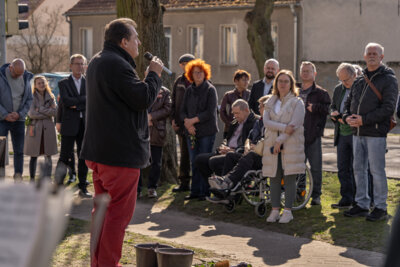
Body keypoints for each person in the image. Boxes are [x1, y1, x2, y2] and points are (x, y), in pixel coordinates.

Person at [81, 18, 163, 267]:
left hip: (100, 152)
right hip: (119, 155)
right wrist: (154, 75)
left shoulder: (97, 60)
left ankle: (99, 263)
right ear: (123, 41)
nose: (139, 42)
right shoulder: (117, 64)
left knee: (103, 214)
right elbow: (142, 99)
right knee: (117, 217)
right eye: (135, 37)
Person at [343, 43, 398, 221]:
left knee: (377, 171)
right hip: (357, 132)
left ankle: (381, 207)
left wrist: (364, 119)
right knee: (358, 169)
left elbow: (389, 108)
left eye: (375, 53)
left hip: (375, 133)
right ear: (364, 56)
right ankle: (362, 204)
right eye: (369, 53)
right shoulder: (359, 79)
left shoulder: (389, 79)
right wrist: (346, 117)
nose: (372, 56)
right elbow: (348, 102)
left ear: (382, 57)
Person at [263, 70, 305, 224]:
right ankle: (274, 210)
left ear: (291, 84)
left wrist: (280, 140)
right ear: (276, 84)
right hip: (272, 144)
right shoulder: (270, 102)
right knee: (274, 177)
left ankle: (287, 211)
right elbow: (266, 122)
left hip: (290, 144)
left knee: (289, 178)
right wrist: (282, 127)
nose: (282, 84)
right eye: (280, 81)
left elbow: (294, 125)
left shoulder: (297, 102)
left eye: (286, 81)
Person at [195, 99, 258, 193]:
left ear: (246, 110)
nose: (235, 116)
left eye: (237, 113)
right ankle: (212, 188)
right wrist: (222, 147)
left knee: (214, 161)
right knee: (200, 159)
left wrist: (233, 150)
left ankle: (225, 189)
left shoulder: (254, 122)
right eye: (234, 113)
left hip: (237, 153)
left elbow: (250, 143)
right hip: (226, 151)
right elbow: (227, 138)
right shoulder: (234, 122)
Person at [208, 95, 269, 191]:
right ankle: (225, 189)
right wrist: (247, 146)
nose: (259, 109)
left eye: (261, 107)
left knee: (249, 155)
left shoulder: (272, 123)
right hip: (250, 153)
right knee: (230, 156)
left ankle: (227, 183)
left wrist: (255, 147)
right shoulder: (259, 122)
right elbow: (249, 138)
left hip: (265, 157)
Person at [180, 58, 218, 201]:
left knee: (204, 161)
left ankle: (205, 191)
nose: (198, 75)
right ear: (191, 74)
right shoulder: (189, 90)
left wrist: (193, 121)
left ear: (205, 73)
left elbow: (210, 112)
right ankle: (195, 191)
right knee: (194, 161)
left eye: (201, 72)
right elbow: (182, 110)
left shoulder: (210, 89)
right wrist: (188, 124)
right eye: (195, 72)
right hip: (191, 132)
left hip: (206, 131)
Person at [54, 54, 91, 198]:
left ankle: (83, 186)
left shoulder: (89, 82)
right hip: (69, 125)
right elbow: (67, 102)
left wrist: (77, 103)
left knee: (84, 156)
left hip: (85, 125)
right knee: (64, 157)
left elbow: (90, 100)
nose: (80, 66)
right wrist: (81, 102)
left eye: (82, 64)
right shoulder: (63, 83)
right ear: (71, 66)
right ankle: (58, 185)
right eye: (77, 64)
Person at [297, 61, 331, 205]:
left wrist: (315, 107)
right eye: (303, 71)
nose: (305, 73)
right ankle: (301, 194)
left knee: (315, 168)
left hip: (313, 135)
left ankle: (316, 195)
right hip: (295, 136)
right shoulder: (294, 90)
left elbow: (328, 109)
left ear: (314, 74)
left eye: (308, 71)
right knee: (298, 168)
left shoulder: (321, 93)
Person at [138, 67, 172, 198]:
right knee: (139, 161)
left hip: (158, 131)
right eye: (149, 73)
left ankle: (152, 187)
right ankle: (137, 189)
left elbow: (167, 109)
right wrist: (144, 119)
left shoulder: (165, 92)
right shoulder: (140, 88)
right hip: (141, 131)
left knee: (156, 162)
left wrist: (151, 117)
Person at [0, 58, 33, 180]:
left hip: (19, 120)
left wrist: (20, 114)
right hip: (2, 120)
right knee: (0, 150)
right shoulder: (1, 76)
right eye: (16, 74)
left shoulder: (25, 77)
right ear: (10, 68)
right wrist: (5, 115)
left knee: (19, 150)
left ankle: (18, 176)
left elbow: (29, 99)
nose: (19, 76)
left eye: (21, 74)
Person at [330, 63, 357, 209]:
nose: (343, 83)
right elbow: (333, 106)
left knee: (357, 168)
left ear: (354, 76)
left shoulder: (359, 89)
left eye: (346, 80)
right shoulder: (338, 89)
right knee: (342, 168)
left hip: (355, 133)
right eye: (341, 80)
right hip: (341, 133)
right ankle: (346, 198)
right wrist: (334, 114)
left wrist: (345, 116)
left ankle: (359, 200)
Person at [24, 76, 57, 181]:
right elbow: (32, 114)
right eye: (39, 83)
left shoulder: (51, 97)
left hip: (48, 130)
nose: (41, 85)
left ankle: (47, 179)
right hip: (35, 129)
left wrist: (41, 109)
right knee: (33, 156)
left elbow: (55, 112)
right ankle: (32, 180)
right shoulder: (31, 97)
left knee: (48, 156)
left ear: (46, 83)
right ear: (35, 85)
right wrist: (47, 112)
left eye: (43, 83)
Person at [170, 53, 195, 193]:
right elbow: (173, 102)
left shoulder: (199, 79)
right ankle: (184, 182)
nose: (185, 66)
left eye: (187, 63)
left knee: (194, 154)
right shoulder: (179, 81)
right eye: (183, 64)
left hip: (194, 125)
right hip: (180, 124)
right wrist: (173, 119)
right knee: (184, 154)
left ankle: (197, 183)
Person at [220, 70, 251, 137]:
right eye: (244, 80)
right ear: (236, 81)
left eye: (247, 80)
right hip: (230, 130)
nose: (246, 82)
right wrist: (230, 123)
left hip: (246, 130)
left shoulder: (250, 94)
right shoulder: (228, 95)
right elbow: (222, 112)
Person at [56, 98, 77, 184]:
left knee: (79, 152)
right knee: (66, 153)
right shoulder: (65, 87)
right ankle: (59, 180)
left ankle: (75, 175)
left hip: (80, 123)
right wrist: (58, 121)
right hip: (67, 124)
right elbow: (61, 106)